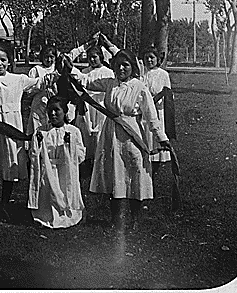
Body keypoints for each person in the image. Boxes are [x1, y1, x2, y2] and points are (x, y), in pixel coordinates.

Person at [67, 49, 170, 231]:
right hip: (111, 133)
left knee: (135, 171)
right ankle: (115, 218)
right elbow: (85, 80)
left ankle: (135, 218)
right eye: (118, 65)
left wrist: (161, 138)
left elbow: (151, 116)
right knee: (114, 173)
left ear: (133, 67)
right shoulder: (110, 83)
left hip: (132, 134)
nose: (121, 68)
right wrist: (69, 67)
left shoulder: (139, 87)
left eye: (126, 65)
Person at [0, 44, 56, 221]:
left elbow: (38, 83)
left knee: (10, 161)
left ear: (9, 62)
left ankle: (4, 201)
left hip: (12, 125)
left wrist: (51, 77)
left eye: (3, 60)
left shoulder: (18, 79)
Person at [28, 96, 86, 229]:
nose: (53, 114)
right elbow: (33, 154)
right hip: (47, 170)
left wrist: (68, 145)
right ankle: (44, 216)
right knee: (47, 189)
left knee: (66, 190)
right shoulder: (41, 131)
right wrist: (37, 143)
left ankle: (66, 215)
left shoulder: (73, 131)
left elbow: (80, 156)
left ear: (65, 112)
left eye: (56, 110)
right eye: (50, 111)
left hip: (65, 170)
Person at [73, 45, 114, 159]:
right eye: (90, 57)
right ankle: (87, 158)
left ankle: (101, 157)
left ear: (100, 57)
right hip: (87, 105)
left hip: (101, 105)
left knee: (100, 131)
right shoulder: (84, 72)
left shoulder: (108, 72)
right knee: (85, 130)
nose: (92, 60)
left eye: (94, 57)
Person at [142, 46, 172, 172]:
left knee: (155, 132)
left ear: (157, 59)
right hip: (144, 109)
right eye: (147, 58)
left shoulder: (163, 74)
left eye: (152, 58)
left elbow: (167, 92)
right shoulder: (142, 74)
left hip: (157, 108)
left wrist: (154, 99)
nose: (149, 60)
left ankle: (156, 161)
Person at [25, 45, 58, 136]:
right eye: (46, 57)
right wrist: (39, 88)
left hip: (55, 103)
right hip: (39, 104)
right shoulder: (35, 70)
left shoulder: (57, 69)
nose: (49, 60)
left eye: (51, 57)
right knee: (38, 128)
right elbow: (28, 92)